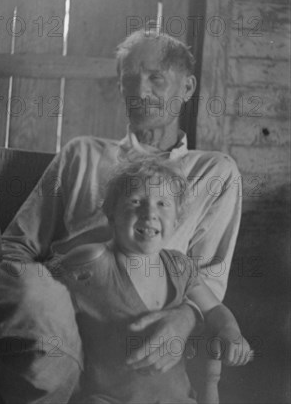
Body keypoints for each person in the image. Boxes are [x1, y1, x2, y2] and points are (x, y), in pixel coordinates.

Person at [0, 29, 242, 403]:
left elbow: (208, 283)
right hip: (35, 302)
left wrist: (184, 320)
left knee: (39, 291)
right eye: (129, 80)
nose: (139, 92)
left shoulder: (214, 173)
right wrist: (24, 297)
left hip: (92, 346)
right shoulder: (82, 154)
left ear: (187, 88)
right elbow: (17, 247)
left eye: (155, 77)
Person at [55, 157, 251, 404]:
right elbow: (38, 297)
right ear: (111, 214)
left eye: (162, 204)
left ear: (177, 219)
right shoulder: (92, 261)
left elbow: (213, 309)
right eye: (135, 201)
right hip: (107, 398)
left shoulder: (179, 266)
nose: (149, 213)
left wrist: (230, 330)